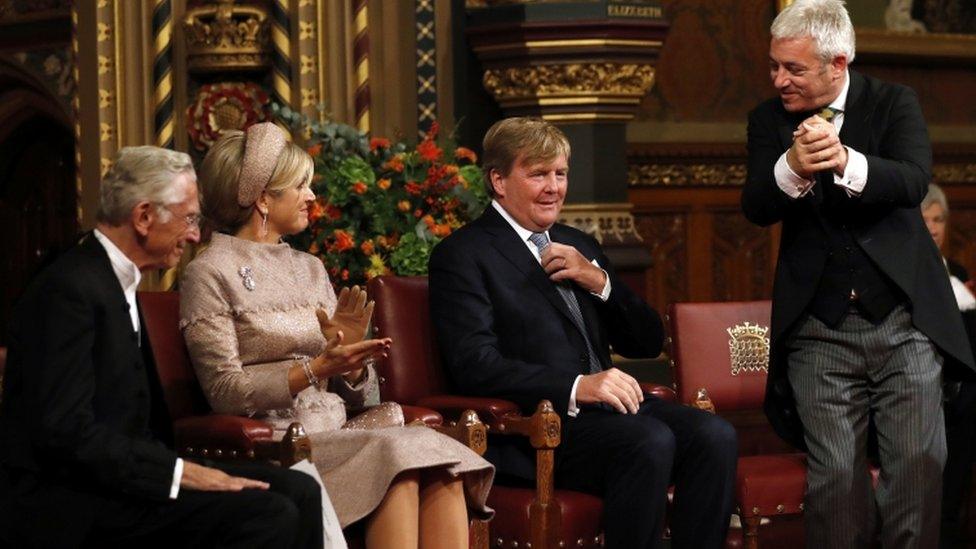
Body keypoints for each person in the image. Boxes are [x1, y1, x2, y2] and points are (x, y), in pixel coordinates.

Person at [180, 122, 494, 549]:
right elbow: (223, 391)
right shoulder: (209, 272)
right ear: (263, 200)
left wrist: (349, 360)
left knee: (438, 461)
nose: (312, 196)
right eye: (301, 186)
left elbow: (362, 398)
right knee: (398, 462)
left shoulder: (309, 267)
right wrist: (313, 370)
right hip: (280, 444)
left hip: (340, 430)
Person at [428, 117, 737, 549]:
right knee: (648, 439)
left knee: (714, 434)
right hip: (540, 425)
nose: (553, 187)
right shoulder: (463, 254)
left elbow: (646, 341)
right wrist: (577, 386)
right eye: (538, 174)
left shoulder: (579, 244)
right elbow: (474, 364)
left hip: (612, 414)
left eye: (560, 173)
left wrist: (601, 283)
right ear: (498, 180)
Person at [0, 146, 324, 548]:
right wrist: (176, 474)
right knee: (268, 513)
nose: (194, 235)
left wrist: (180, 469)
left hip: (125, 478)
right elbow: (64, 432)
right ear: (144, 216)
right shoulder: (70, 289)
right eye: (189, 219)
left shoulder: (117, 280)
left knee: (299, 491)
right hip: (73, 499)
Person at [741, 1, 976, 546]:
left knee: (918, 466)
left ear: (837, 63)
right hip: (819, 329)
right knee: (837, 480)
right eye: (774, 65)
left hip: (904, 320)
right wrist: (791, 168)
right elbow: (756, 205)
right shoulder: (768, 120)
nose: (779, 79)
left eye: (793, 69)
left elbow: (913, 180)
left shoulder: (894, 102)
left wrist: (845, 160)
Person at [921, 184, 976, 548]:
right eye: (925, 220)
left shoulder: (957, 272)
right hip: (920, 389)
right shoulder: (902, 274)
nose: (934, 228)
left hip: (960, 395)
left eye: (939, 219)